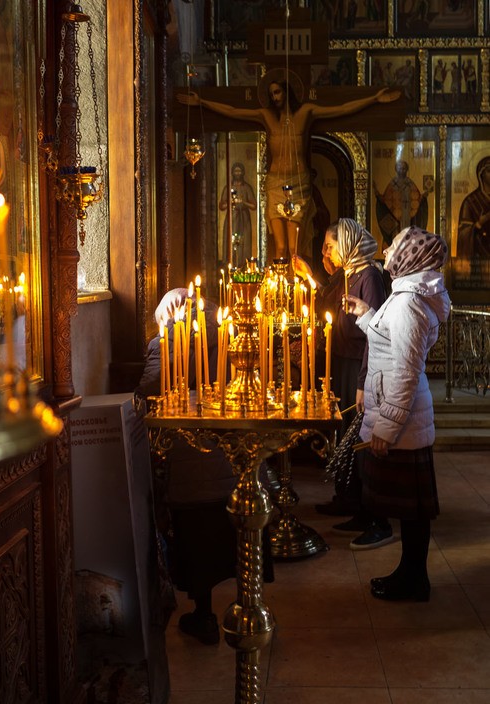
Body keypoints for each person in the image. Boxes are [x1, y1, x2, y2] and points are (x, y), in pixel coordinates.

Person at [136, 288, 274, 645]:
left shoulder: (165, 340)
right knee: (240, 535)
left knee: (198, 543)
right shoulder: (234, 333)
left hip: (191, 451)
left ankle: (205, 615)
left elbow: (151, 388)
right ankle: (250, 605)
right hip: (236, 449)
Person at [178, 75, 400, 263]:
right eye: (272, 94)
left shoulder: (306, 112)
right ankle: (280, 293)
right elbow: (233, 111)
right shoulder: (266, 117)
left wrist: (374, 99)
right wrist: (202, 103)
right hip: (275, 184)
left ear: (287, 92)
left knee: (295, 250)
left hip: (298, 185)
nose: (275, 98)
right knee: (280, 248)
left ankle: (296, 293)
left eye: (278, 93)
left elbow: (341, 109)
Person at [345, 227, 451, 598]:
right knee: (411, 510)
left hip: (403, 417)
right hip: (404, 414)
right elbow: (390, 343)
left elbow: (405, 370)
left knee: (412, 510)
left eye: (394, 244)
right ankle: (410, 574)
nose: (386, 248)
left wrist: (386, 427)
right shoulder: (406, 294)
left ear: (410, 255)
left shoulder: (408, 302)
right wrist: (366, 315)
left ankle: (414, 579)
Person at [302, 220, 389, 539]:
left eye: (331, 244)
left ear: (348, 242)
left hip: (359, 365)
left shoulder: (369, 276)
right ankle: (349, 498)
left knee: (360, 436)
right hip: (342, 362)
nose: (328, 251)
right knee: (343, 434)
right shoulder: (349, 273)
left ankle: (367, 507)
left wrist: (363, 381)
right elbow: (328, 301)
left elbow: (374, 335)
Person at [374, 159, 429, 249]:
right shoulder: (393, 183)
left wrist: (423, 197)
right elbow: (386, 199)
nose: (402, 170)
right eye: (400, 168)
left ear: (407, 170)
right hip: (395, 215)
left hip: (407, 214)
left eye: (404, 168)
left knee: (408, 233)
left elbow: (416, 198)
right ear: (396, 169)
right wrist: (378, 194)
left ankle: (408, 249)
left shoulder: (409, 183)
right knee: (396, 234)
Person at [219, 161, 257, 267]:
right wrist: (230, 202)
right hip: (232, 218)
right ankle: (230, 266)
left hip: (244, 219)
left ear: (243, 173)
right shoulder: (228, 188)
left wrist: (244, 202)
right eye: (235, 171)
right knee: (231, 243)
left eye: (239, 171)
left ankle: (244, 266)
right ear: (232, 173)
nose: (237, 173)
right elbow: (221, 206)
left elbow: (254, 206)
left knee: (244, 244)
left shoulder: (247, 188)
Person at [456, 155, 490, 270]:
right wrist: (479, 224)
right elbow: (462, 234)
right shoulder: (470, 201)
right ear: (481, 174)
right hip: (478, 257)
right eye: (489, 171)